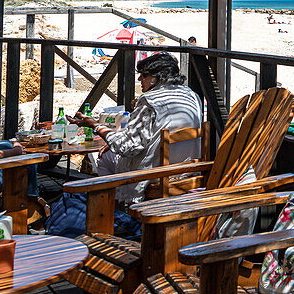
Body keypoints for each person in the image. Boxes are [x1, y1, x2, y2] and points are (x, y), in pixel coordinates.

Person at [73, 52, 202, 205]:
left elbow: (127, 147)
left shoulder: (150, 101)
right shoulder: (191, 95)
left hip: (156, 173)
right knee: (111, 150)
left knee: (105, 158)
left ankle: (109, 211)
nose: (140, 79)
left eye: (144, 75)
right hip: (188, 168)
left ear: (157, 77)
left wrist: (97, 126)